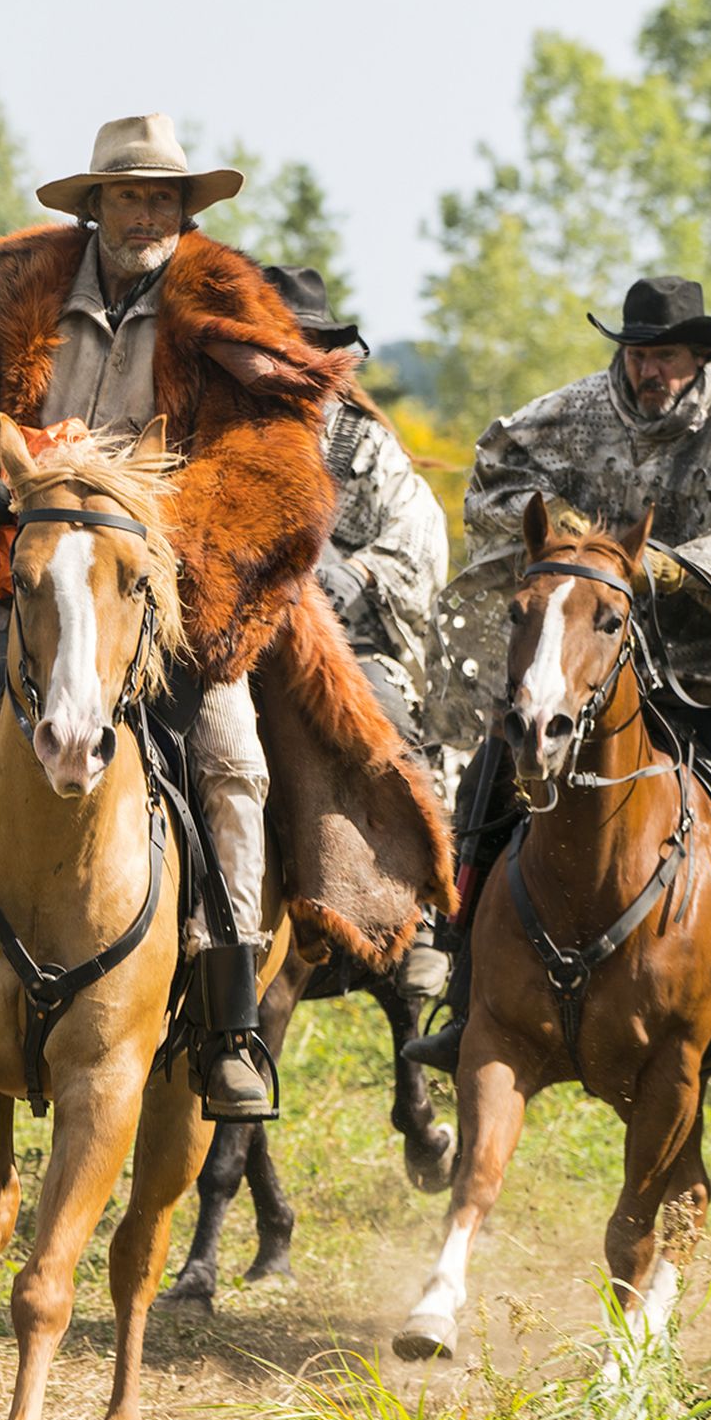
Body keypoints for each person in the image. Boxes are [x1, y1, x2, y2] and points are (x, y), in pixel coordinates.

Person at [0, 114, 449, 1118]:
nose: (146, 212)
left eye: (164, 197)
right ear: (95, 205)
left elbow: (278, 466)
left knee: (233, 753)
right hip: (17, 566)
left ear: (185, 209)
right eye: (128, 195)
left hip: (167, 585)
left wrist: (166, 526)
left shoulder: (234, 301)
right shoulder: (1, 282)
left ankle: (233, 1009)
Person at [414, 276, 711, 1088]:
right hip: (595, 657)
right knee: (492, 776)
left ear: (701, 358)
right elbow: (497, 475)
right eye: (636, 354)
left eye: (664, 355)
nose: (646, 372)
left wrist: (674, 568)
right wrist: (573, 552)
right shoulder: (570, 415)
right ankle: (463, 987)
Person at [260, 263, 454, 1000]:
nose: (295, 362)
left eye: (307, 348)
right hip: (240, 639)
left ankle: (421, 917)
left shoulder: (365, 446)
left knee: (391, 721)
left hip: (345, 641)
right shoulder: (223, 431)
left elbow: (418, 540)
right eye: (282, 347)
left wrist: (350, 579)